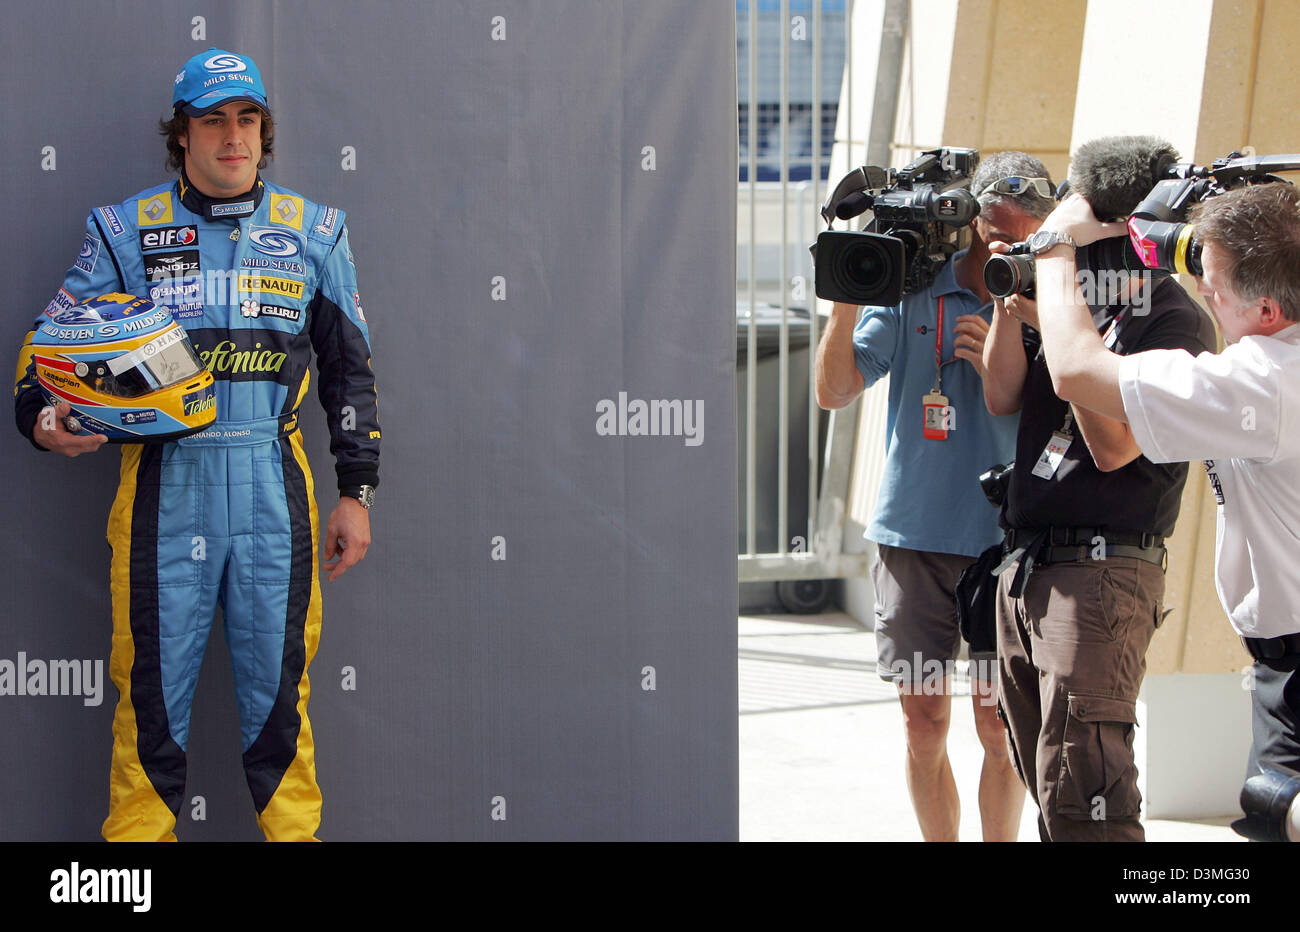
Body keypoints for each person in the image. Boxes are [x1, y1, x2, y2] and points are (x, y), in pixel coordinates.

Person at [12, 48, 381, 841]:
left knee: (281, 700)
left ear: (264, 131)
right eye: (212, 120)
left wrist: (357, 490)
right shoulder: (122, 229)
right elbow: (48, 344)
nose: (232, 136)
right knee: (148, 700)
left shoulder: (316, 231)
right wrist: (44, 419)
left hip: (271, 485)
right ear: (181, 135)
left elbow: (351, 371)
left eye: (247, 119)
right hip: (161, 486)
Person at [1028, 182, 1300, 841]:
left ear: (1265, 308)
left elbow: (1075, 370)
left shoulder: (1262, 382)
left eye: (1215, 284)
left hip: (1293, 668)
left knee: (1275, 814)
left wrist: (1054, 246)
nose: (1204, 293)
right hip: (1279, 661)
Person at [980, 138, 1216, 842]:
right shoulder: (1068, 303)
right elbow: (1000, 397)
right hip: (1028, 566)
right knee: (1050, 787)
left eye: (1080, 223)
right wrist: (1011, 299)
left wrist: (1064, 339)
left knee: (1091, 803)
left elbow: (1115, 448)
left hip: (1101, 575)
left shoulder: (1172, 320)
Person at [815, 151, 1053, 841]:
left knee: (996, 725)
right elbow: (834, 390)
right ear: (976, 222)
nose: (1014, 245)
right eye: (1002, 231)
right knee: (925, 723)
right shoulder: (914, 291)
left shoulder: (1046, 300)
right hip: (913, 539)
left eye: (1028, 233)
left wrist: (1009, 351)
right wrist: (846, 295)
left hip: (1002, 546)